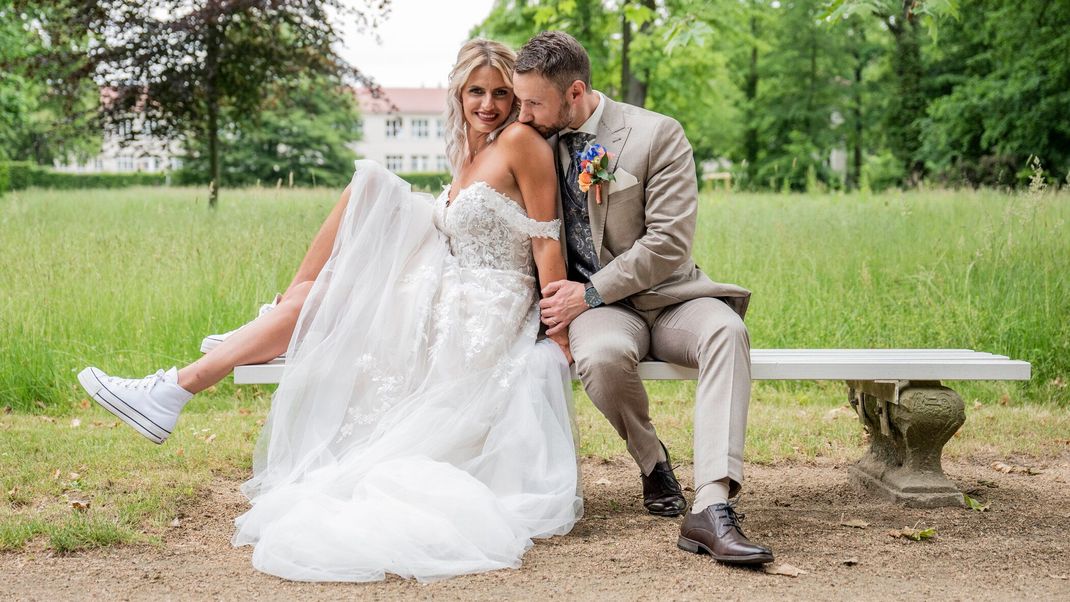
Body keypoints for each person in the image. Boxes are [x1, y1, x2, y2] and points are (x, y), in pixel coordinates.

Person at [77, 39, 582, 582]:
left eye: (503, 93)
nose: (489, 103)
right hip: (451, 285)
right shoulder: (474, 149)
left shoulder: (521, 142)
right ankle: (243, 341)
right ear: (458, 93)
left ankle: (195, 375)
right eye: (476, 91)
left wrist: (558, 333)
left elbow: (545, 242)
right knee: (363, 197)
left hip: (486, 305)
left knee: (338, 272)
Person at [513, 31, 773, 565]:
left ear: (575, 92)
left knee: (727, 330)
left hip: (671, 296)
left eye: (533, 102)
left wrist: (588, 291)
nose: (523, 112)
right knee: (602, 358)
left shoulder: (657, 134)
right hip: (604, 315)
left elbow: (669, 242)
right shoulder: (532, 140)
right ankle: (653, 462)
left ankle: (712, 505)